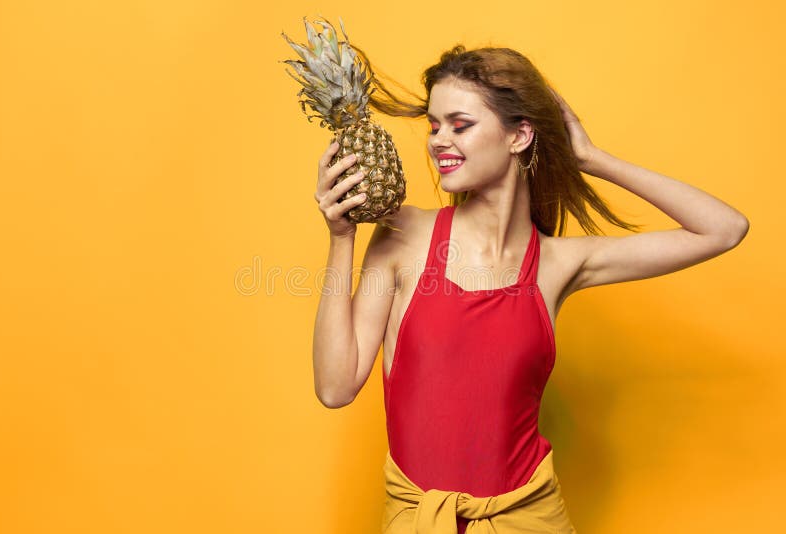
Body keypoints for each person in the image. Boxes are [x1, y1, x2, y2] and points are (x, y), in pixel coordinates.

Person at [311, 45, 749, 533]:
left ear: (519, 135)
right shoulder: (404, 235)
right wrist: (342, 238)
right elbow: (335, 386)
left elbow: (723, 229)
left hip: (529, 520)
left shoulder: (559, 264)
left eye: (461, 124)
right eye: (435, 126)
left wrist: (591, 158)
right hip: (420, 522)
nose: (439, 141)